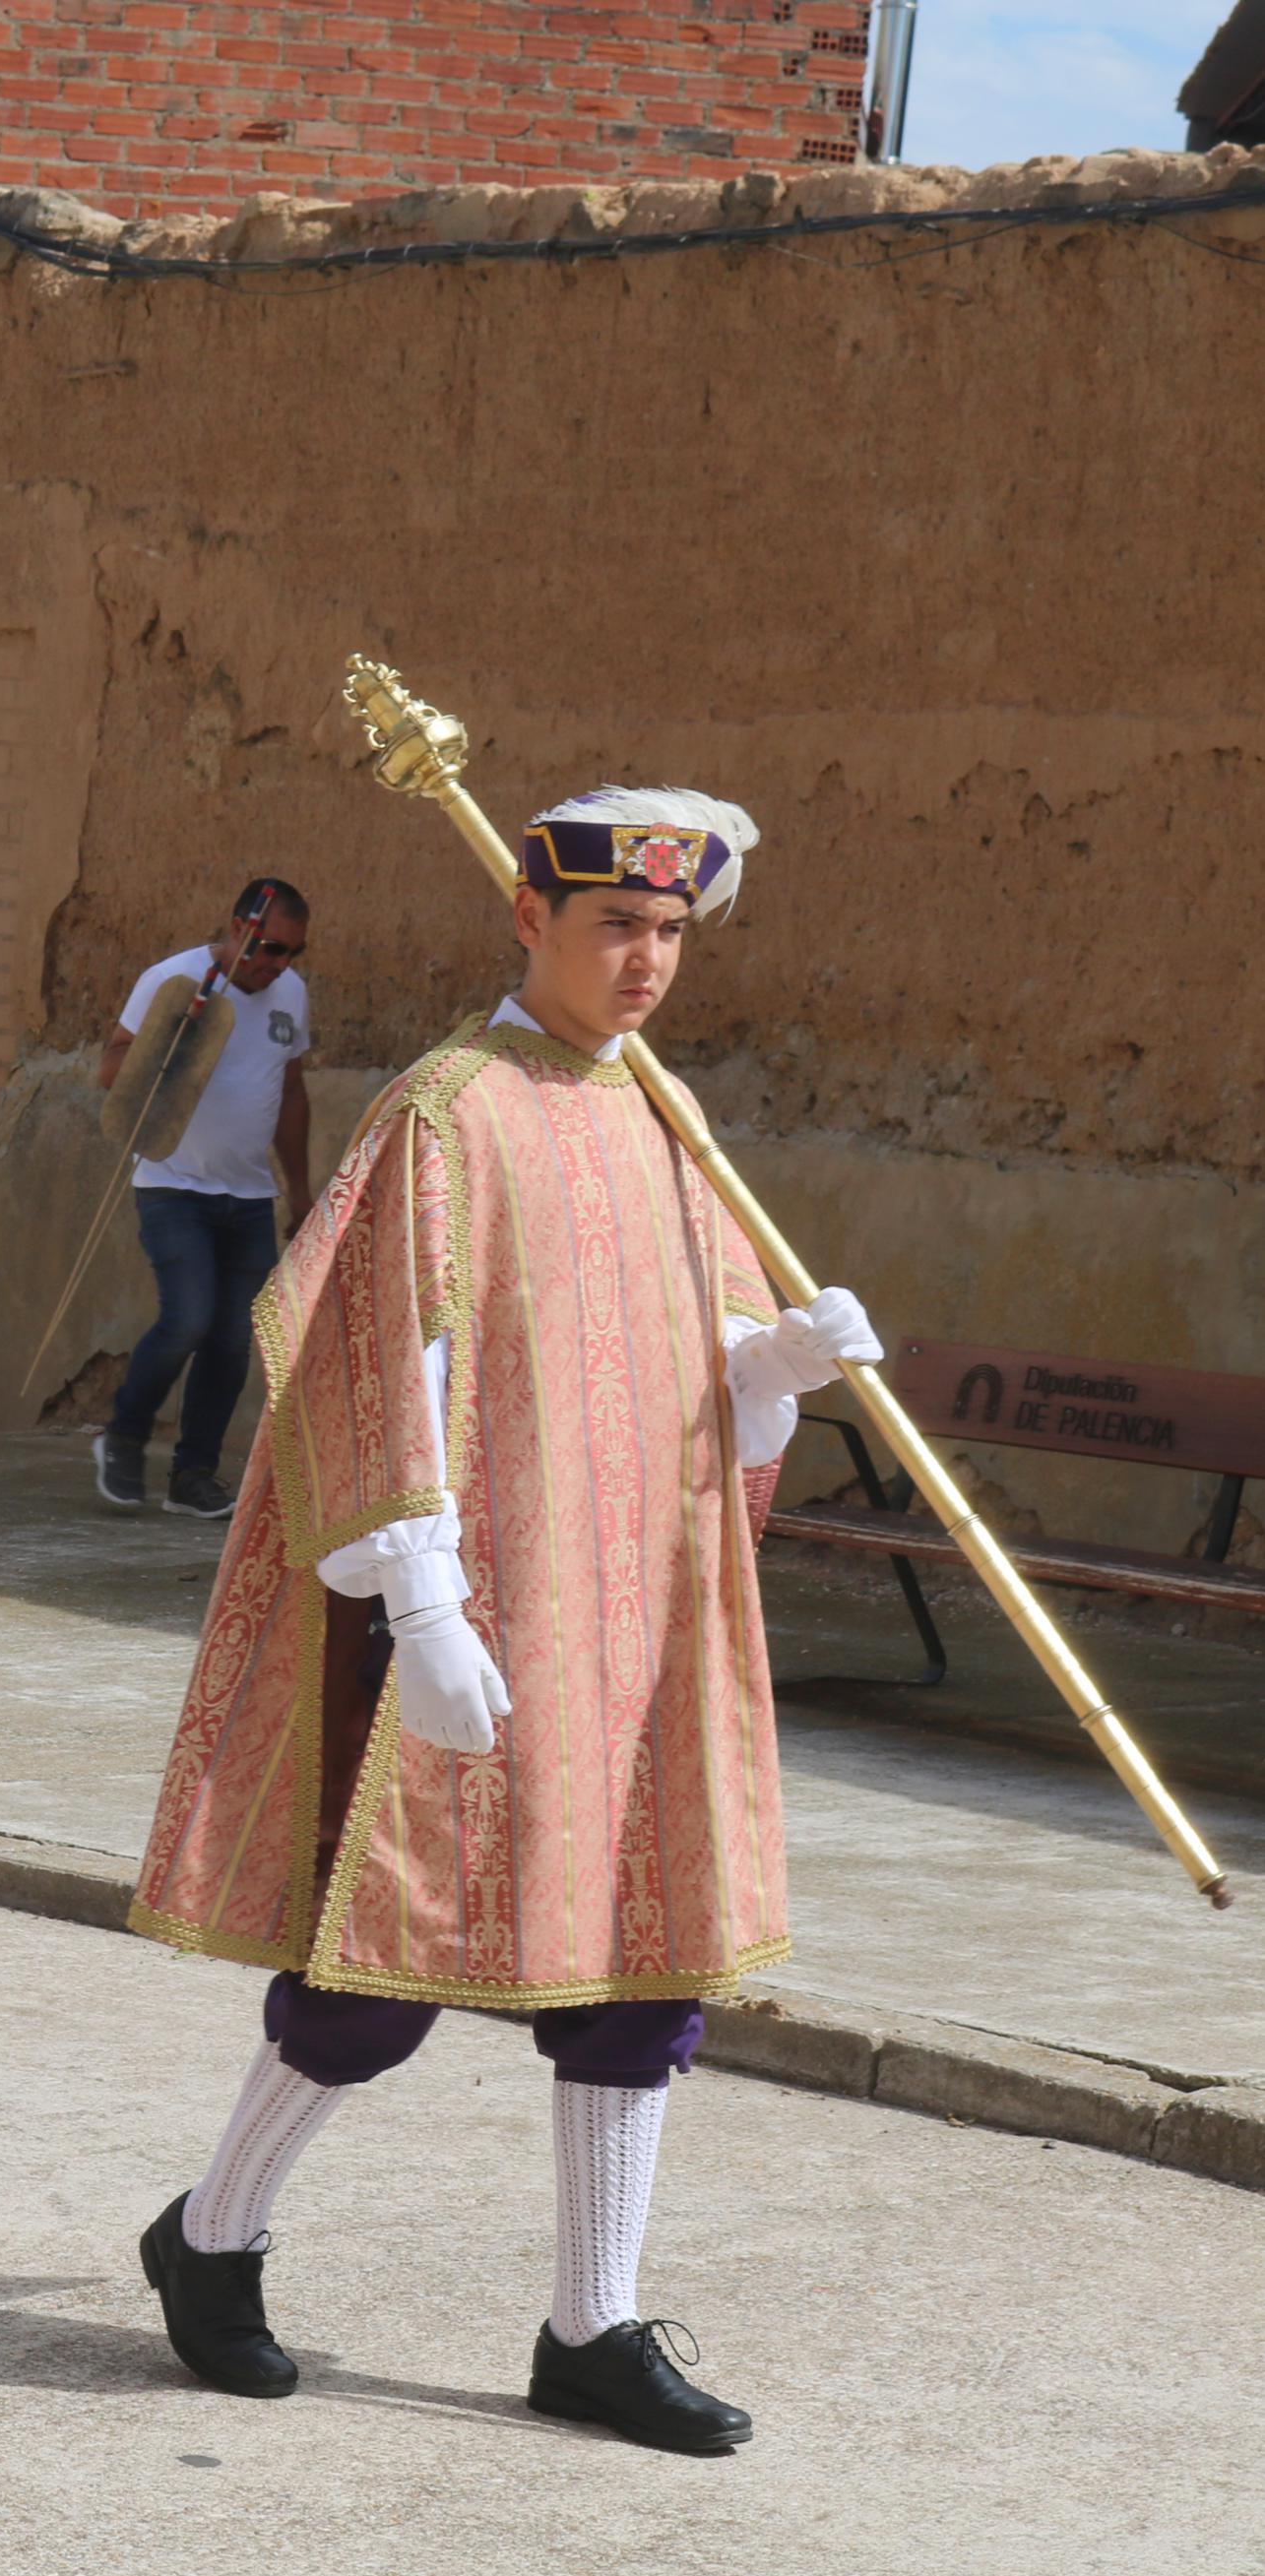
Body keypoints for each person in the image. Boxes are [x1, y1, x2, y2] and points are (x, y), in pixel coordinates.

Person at [127, 786, 884, 2458]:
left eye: (670, 932)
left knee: (640, 1967)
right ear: (525, 919)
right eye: (616, 925)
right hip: (481, 1599)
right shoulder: (442, 1112)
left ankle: (591, 2327)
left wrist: (778, 1365)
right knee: (381, 1970)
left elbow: (693, 1371)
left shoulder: (664, 1116)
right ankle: (207, 2239)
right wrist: (420, 1596)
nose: (645, 963)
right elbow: (377, 1356)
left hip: (640, 1602)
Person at [92, 880, 311, 1519]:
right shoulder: (173, 978)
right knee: (186, 1317)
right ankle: (123, 1437)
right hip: (173, 1181)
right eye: (268, 946)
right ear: (238, 925)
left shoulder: (289, 995)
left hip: (246, 1192)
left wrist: (298, 1189)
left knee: (230, 1339)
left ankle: (194, 1474)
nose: (276, 964)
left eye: (291, 953)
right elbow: (109, 1071)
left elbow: (291, 1093)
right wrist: (170, 1033)